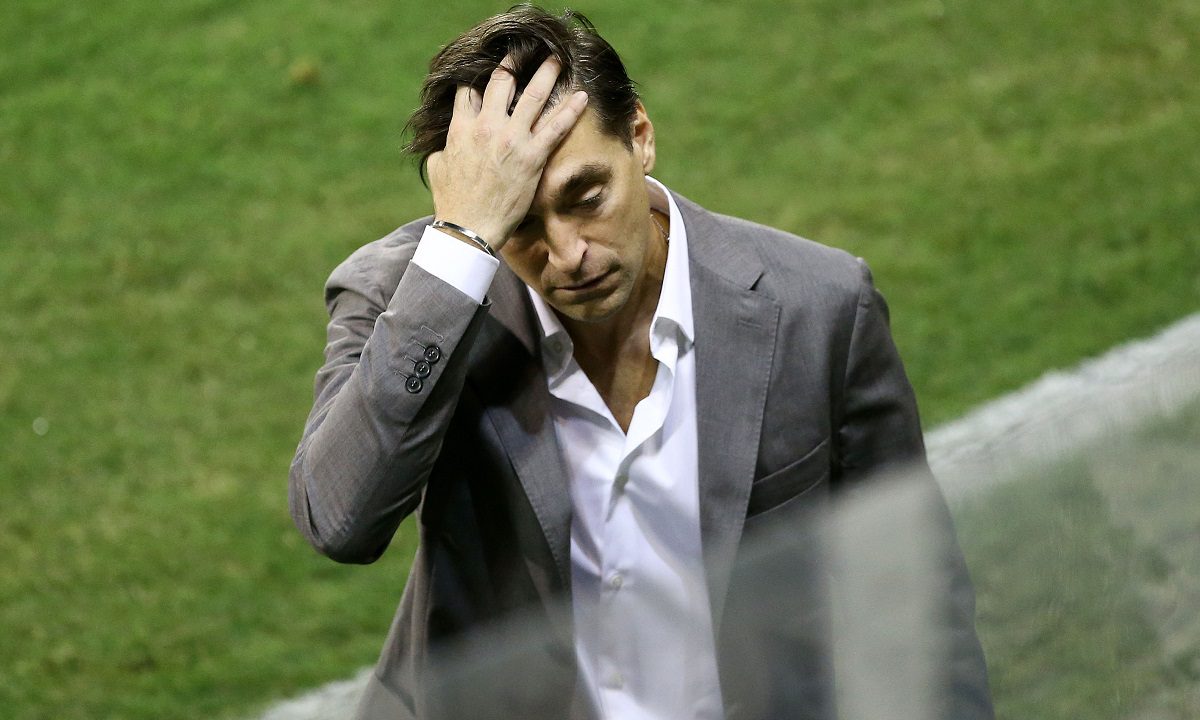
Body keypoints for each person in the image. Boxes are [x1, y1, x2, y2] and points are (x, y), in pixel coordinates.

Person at [289, 5, 993, 719]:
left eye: (586, 197)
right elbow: (340, 521)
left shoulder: (821, 308)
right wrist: (465, 245)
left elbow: (916, 598)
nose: (569, 254)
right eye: (520, 222)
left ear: (641, 138)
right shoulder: (407, 299)